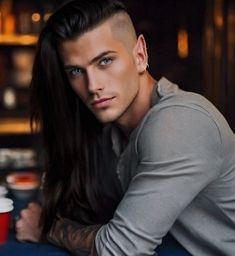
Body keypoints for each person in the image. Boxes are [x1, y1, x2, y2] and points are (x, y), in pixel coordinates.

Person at [15, 0, 235, 255]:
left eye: (105, 61)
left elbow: (120, 249)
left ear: (140, 54)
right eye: (76, 71)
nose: (92, 85)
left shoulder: (179, 122)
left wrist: (46, 228)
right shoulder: (112, 131)